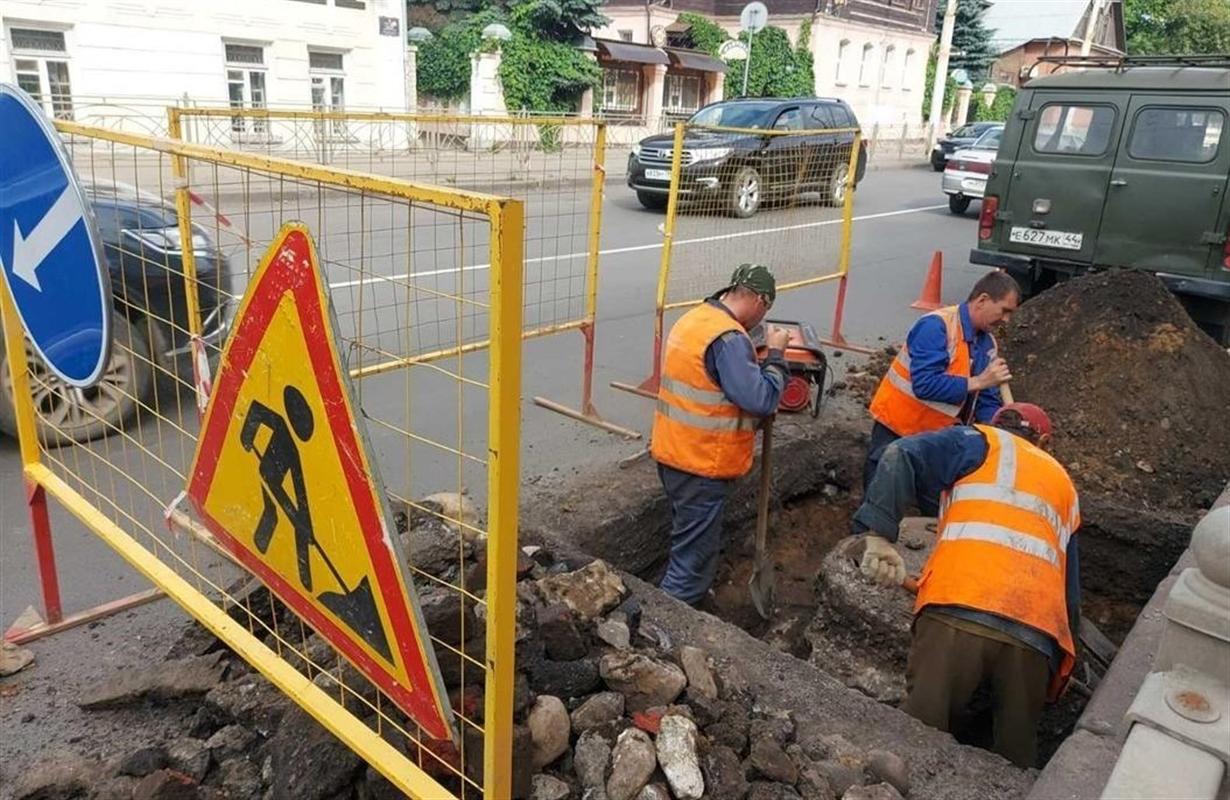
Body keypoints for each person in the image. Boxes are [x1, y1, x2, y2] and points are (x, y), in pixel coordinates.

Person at [852, 403, 1081, 768]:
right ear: (1045, 441)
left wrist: (878, 536)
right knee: (1016, 760)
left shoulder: (977, 441)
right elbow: (1070, 592)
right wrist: (1062, 670)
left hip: (958, 607)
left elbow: (898, 453)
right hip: (1035, 634)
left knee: (915, 735)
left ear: (994, 424)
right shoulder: (1064, 486)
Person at [650, 263, 790, 605]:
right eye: (766, 309)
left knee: (686, 536)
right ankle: (670, 622)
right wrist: (776, 358)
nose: (762, 317)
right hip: (701, 464)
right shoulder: (728, 339)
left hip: (673, 453)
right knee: (692, 565)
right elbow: (760, 399)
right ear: (759, 300)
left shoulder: (695, 319)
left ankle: (672, 598)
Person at [864, 271, 1021, 489]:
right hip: (898, 430)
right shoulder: (936, 326)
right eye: (1004, 311)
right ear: (983, 300)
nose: (1006, 320)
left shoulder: (987, 345)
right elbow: (925, 384)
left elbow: (985, 400)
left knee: (931, 508)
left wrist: (998, 435)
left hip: (936, 441)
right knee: (879, 503)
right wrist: (977, 382)